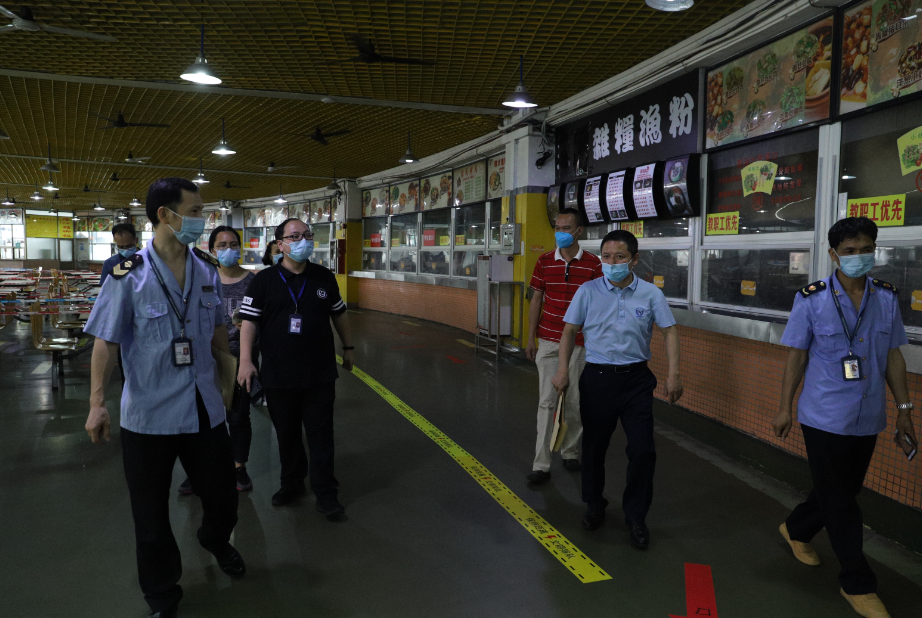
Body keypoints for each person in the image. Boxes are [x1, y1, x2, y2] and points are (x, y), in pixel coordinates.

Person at [83, 178, 244, 618]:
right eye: (195, 212)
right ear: (165, 215)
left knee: (224, 499)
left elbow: (216, 330)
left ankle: (215, 540)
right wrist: (97, 403)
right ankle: (161, 593)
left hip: (203, 407)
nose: (201, 220)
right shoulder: (128, 274)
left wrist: (227, 385)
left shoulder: (206, 268)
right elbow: (106, 341)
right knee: (151, 516)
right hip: (148, 414)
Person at [773, 217, 917, 618]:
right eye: (850, 251)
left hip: (868, 415)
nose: (858, 257)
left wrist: (905, 411)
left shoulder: (885, 297)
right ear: (834, 254)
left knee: (842, 489)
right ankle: (857, 582)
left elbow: (893, 355)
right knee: (842, 502)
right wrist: (784, 407)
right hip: (823, 415)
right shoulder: (812, 299)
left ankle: (797, 528)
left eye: (866, 249)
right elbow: (797, 356)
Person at [552, 230, 682, 550]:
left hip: (637, 381)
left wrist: (674, 374)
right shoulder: (588, 291)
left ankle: (636, 515)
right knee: (594, 447)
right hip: (598, 378)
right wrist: (562, 369)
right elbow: (569, 330)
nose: (611, 262)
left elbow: (669, 331)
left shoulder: (650, 293)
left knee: (642, 450)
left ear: (634, 260)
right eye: (606, 257)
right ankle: (594, 503)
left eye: (619, 257)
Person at [237, 217, 355, 520]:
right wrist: (246, 360)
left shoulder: (323, 277)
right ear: (280, 245)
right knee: (287, 434)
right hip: (278, 374)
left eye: (307, 235)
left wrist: (349, 348)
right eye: (295, 236)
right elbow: (249, 322)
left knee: (321, 436)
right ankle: (291, 484)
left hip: (319, 373)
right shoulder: (263, 280)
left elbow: (339, 314)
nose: (303, 241)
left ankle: (326, 493)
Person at [524, 208, 601, 484]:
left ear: (579, 231)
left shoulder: (594, 265)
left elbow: (598, 306)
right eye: (557, 228)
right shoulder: (544, 261)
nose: (560, 233)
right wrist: (530, 337)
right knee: (547, 402)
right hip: (548, 341)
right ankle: (541, 464)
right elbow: (536, 300)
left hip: (580, 344)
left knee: (574, 402)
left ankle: (570, 452)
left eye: (566, 228)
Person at [178, 226, 256, 495]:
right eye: (222, 245)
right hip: (203, 359)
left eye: (233, 244)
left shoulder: (254, 281)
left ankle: (238, 466)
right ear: (211, 250)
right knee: (200, 416)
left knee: (237, 416)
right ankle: (197, 470)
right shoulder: (202, 278)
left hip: (240, 358)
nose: (228, 250)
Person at [99, 222, 139, 287]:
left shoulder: (146, 260)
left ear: (136, 240)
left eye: (129, 246)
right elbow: (105, 289)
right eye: (121, 247)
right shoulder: (109, 264)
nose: (125, 250)